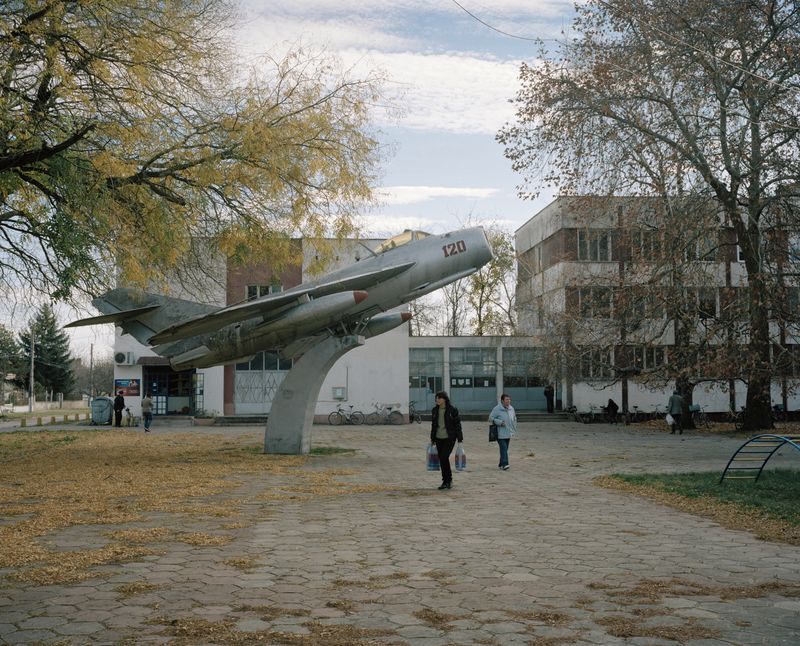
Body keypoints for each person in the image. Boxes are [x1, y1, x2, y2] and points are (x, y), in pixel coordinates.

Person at [429, 391, 463, 490]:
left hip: (449, 438)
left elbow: (458, 425)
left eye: (439, 398)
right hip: (439, 438)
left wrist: (460, 438)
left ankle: (449, 480)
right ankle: (445, 481)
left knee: (444, 457)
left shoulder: (452, 410)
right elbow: (434, 425)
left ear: (444, 399)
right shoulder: (435, 410)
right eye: (436, 398)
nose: (437, 400)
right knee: (442, 459)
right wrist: (432, 438)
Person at [489, 393, 517, 470]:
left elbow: (514, 419)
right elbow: (490, 418)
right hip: (500, 433)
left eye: (509, 399)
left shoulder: (511, 408)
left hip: (508, 432)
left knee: (505, 449)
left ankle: (501, 463)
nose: (508, 401)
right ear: (502, 401)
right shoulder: (497, 409)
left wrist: (514, 428)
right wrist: (500, 422)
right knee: (504, 448)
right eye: (507, 399)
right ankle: (505, 464)